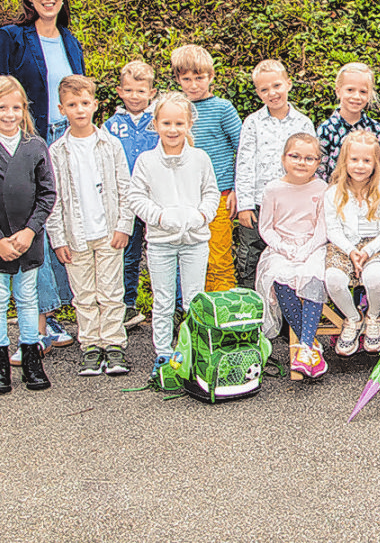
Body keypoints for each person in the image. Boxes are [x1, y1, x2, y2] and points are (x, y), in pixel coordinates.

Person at [0, 0, 82, 354]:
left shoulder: (69, 39)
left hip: (67, 138)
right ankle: (37, 322)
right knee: (34, 222)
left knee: (61, 219)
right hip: (28, 138)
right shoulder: (11, 38)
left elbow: (78, 89)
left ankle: (50, 314)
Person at [0, 76, 54, 394]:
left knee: (28, 299)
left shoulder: (35, 146)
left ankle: (32, 359)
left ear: (24, 110)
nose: (9, 114)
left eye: (16, 107)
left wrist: (30, 232)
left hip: (28, 241)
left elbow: (47, 194)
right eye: (2, 107)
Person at [45, 75, 134, 377]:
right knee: (83, 294)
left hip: (108, 232)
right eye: (72, 104)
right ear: (61, 109)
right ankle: (91, 346)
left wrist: (124, 225)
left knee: (110, 292)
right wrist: (58, 238)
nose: (79, 110)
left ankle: (114, 344)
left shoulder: (111, 145)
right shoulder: (56, 152)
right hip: (75, 234)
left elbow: (125, 187)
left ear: (95, 105)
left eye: (85, 103)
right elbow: (53, 198)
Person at [127, 93, 220, 374]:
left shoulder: (200, 158)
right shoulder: (146, 161)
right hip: (160, 243)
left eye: (179, 123)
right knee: (164, 299)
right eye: (166, 122)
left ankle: (192, 352)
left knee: (194, 298)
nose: (172, 129)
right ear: (155, 124)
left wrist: (201, 216)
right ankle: (164, 355)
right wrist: (160, 217)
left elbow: (212, 193)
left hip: (195, 242)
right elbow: (136, 197)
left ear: (189, 123)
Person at [255, 133, 331, 378]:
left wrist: (307, 249)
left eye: (310, 158)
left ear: (319, 163)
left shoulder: (321, 188)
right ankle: (309, 346)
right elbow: (266, 226)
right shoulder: (273, 189)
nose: (302, 162)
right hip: (281, 247)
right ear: (283, 158)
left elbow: (323, 226)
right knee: (279, 278)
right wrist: (286, 249)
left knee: (313, 277)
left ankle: (305, 346)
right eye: (295, 156)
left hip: (313, 245)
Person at [235, 59, 314, 290]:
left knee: (286, 256)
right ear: (258, 93)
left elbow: (310, 163)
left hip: (291, 206)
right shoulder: (252, 123)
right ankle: (250, 307)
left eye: (277, 85)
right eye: (264, 89)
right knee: (250, 255)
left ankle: (283, 316)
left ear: (288, 84)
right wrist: (245, 204)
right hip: (259, 203)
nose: (272, 93)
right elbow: (245, 163)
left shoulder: (303, 123)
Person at [170, 44, 242, 291]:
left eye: (199, 78)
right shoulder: (175, 109)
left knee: (218, 255)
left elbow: (242, 148)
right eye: (186, 78)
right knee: (187, 255)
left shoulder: (223, 108)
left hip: (219, 194)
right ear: (178, 79)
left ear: (211, 77)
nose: (193, 85)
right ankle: (193, 308)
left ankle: (222, 309)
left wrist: (235, 188)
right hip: (183, 196)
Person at [324, 131, 380, 356]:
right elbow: (332, 229)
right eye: (354, 160)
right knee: (333, 280)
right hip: (343, 246)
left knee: (375, 279)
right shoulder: (333, 193)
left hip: (375, 246)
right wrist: (351, 250)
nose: (360, 166)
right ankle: (353, 319)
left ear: (376, 163)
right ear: (344, 161)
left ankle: (374, 316)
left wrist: (367, 251)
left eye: (367, 160)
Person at [103, 61, 158, 330]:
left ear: (152, 92)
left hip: (156, 197)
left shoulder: (159, 122)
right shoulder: (111, 126)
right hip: (125, 199)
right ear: (119, 91)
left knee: (161, 251)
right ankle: (127, 304)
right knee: (128, 253)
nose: (134, 96)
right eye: (129, 90)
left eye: (140, 91)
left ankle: (169, 305)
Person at [317, 62, 380, 181]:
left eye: (363, 92)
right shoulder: (327, 129)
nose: (356, 96)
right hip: (335, 194)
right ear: (338, 91)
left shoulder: (375, 129)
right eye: (350, 90)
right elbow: (320, 169)